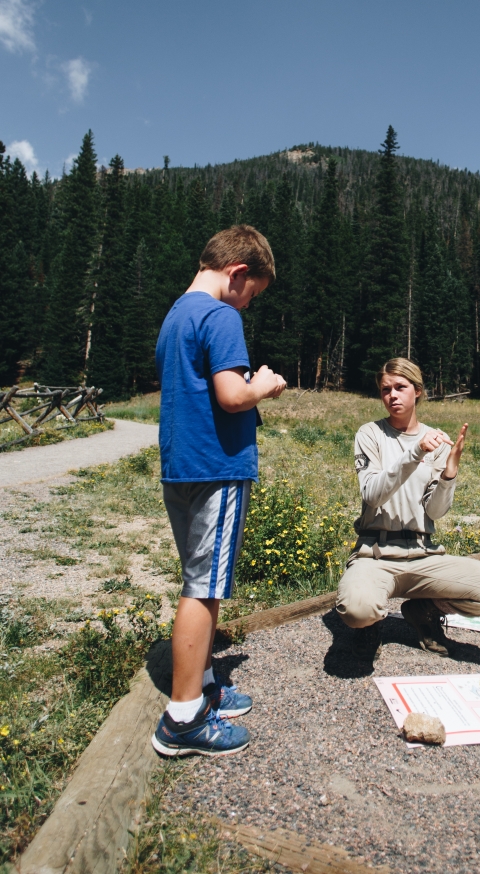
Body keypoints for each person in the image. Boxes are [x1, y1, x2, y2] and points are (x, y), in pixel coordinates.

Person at [152, 225, 286, 757]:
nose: (247, 306)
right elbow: (232, 396)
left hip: (180, 467)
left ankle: (204, 687)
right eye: (251, 294)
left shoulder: (175, 315)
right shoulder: (220, 315)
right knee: (203, 588)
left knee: (195, 577)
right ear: (237, 274)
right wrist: (266, 385)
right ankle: (183, 718)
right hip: (219, 465)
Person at [336, 358, 480, 662]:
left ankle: (423, 610)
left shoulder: (437, 440)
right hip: (376, 555)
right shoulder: (370, 434)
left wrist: (449, 473)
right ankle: (370, 624)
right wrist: (416, 452)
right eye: (385, 390)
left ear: (418, 391)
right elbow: (372, 493)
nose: (392, 395)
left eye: (400, 387)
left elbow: (434, 512)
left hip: (425, 555)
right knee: (358, 610)